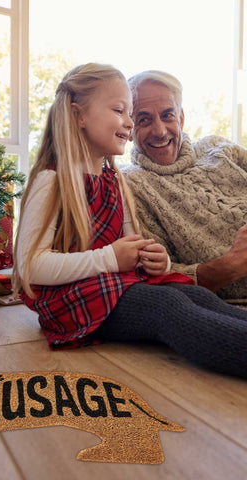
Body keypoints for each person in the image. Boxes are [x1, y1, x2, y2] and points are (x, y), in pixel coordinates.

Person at [13, 63, 247, 379]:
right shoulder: (52, 181)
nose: (128, 123)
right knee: (168, 308)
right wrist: (109, 258)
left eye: (129, 114)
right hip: (73, 299)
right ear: (79, 116)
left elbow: (133, 248)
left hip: (116, 285)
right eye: (122, 112)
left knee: (195, 295)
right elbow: (31, 267)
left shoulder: (115, 182)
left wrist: (157, 261)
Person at [124, 70, 247, 303]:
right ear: (129, 128)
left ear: (180, 118)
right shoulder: (131, 185)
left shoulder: (217, 146)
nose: (160, 131)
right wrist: (230, 265)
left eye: (167, 115)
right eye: (144, 119)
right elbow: (160, 279)